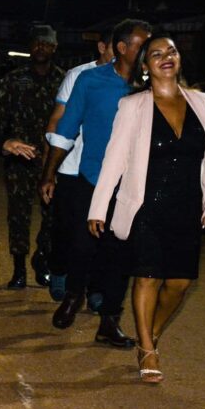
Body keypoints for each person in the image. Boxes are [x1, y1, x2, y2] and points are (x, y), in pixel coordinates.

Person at [87, 35, 205, 383]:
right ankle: (148, 349)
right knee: (147, 275)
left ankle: (152, 333)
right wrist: (98, 208)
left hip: (187, 205)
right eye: (156, 54)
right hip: (146, 206)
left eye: (171, 51)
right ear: (145, 66)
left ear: (179, 59)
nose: (166, 57)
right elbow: (114, 160)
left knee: (180, 283)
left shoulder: (202, 102)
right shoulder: (133, 105)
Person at [41, 19, 151, 348]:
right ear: (122, 47)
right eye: (141, 45)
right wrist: (49, 173)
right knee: (82, 245)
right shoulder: (90, 80)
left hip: (133, 187)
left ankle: (109, 322)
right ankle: (74, 294)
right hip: (93, 180)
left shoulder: (152, 87)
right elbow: (66, 129)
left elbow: (191, 109)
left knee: (121, 255)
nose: (148, 51)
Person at [0, 25, 64, 289]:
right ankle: (19, 269)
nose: (41, 48)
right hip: (19, 159)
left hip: (53, 160)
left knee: (53, 215)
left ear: (54, 47)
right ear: (30, 46)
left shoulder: (65, 81)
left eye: (46, 43)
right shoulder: (14, 79)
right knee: (18, 216)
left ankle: (41, 256)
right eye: (37, 43)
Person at [43, 29, 114, 303]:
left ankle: (95, 287)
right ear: (103, 47)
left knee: (104, 232)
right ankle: (59, 270)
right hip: (71, 166)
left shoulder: (131, 81)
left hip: (107, 170)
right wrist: (49, 170)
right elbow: (58, 119)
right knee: (67, 228)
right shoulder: (79, 75)